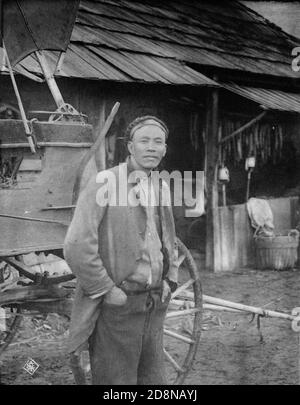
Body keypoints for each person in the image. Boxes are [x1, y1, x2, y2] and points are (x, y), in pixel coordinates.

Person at [64, 115, 179, 385]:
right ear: (130, 147)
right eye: (144, 141)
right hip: (119, 306)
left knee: (153, 382)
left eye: (158, 142)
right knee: (116, 384)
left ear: (164, 149)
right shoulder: (106, 182)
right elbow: (77, 244)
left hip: (152, 305)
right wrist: (105, 288)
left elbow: (169, 238)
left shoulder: (160, 185)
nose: (152, 147)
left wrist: (169, 279)